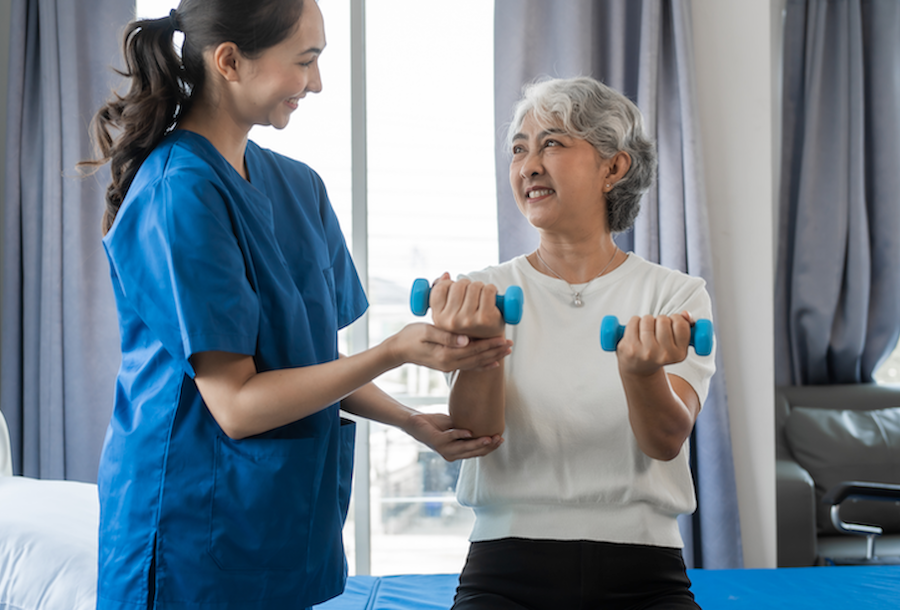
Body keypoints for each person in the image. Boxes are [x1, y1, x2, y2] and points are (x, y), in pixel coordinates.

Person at [80, 1, 510, 608]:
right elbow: (235, 404)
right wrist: (393, 352)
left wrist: (410, 421)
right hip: (185, 528)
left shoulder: (300, 187)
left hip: (276, 520)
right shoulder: (179, 192)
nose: (317, 82)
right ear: (230, 61)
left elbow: (309, 362)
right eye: (305, 61)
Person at [427, 76, 716, 609]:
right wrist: (485, 347)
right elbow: (476, 435)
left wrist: (641, 372)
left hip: (644, 569)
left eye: (552, 143)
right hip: (504, 567)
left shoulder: (675, 295)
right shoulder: (483, 294)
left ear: (614, 167)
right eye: (519, 149)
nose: (529, 166)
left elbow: (664, 442)